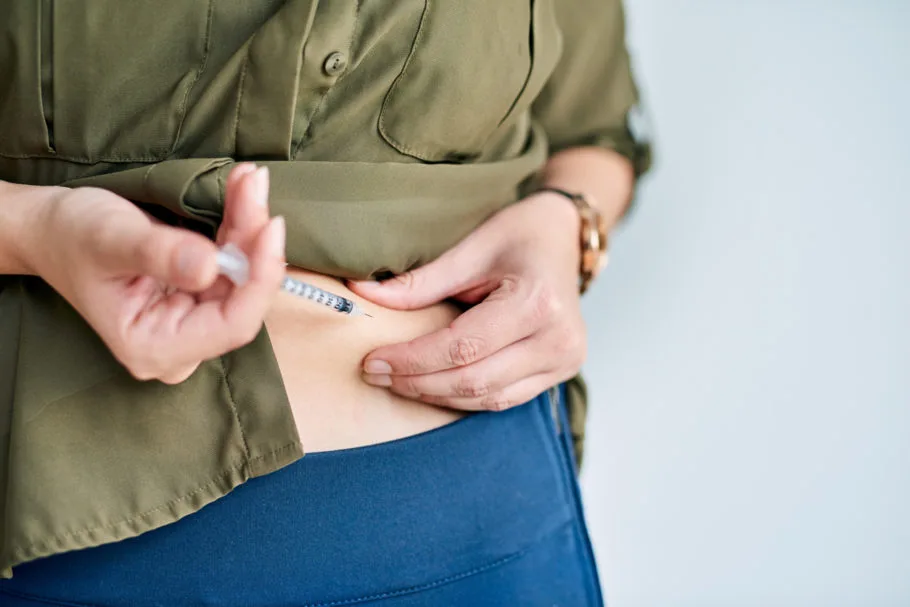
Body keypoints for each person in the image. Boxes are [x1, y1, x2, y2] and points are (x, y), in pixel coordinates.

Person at [0, 0, 651, 604]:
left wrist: (571, 225)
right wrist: (33, 231)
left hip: (490, 514)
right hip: (92, 539)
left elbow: (592, 130)